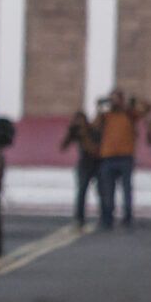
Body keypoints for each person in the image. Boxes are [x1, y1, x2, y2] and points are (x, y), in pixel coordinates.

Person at [94, 93, 137, 230]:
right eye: (112, 100)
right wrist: (100, 108)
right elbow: (95, 126)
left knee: (126, 189)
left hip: (125, 156)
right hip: (108, 157)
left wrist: (129, 105)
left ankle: (127, 216)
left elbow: (145, 108)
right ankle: (108, 217)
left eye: (117, 99)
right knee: (108, 189)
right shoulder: (106, 116)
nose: (114, 103)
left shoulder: (128, 115)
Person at [61, 108, 102, 230]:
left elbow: (94, 149)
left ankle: (103, 216)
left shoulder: (93, 131)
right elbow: (63, 146)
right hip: (83, 165)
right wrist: (70, 132)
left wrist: (84, 136)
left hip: (97, 163)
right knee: (81, 191)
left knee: (101, 191)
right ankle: (79, 218)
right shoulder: (76, 131)